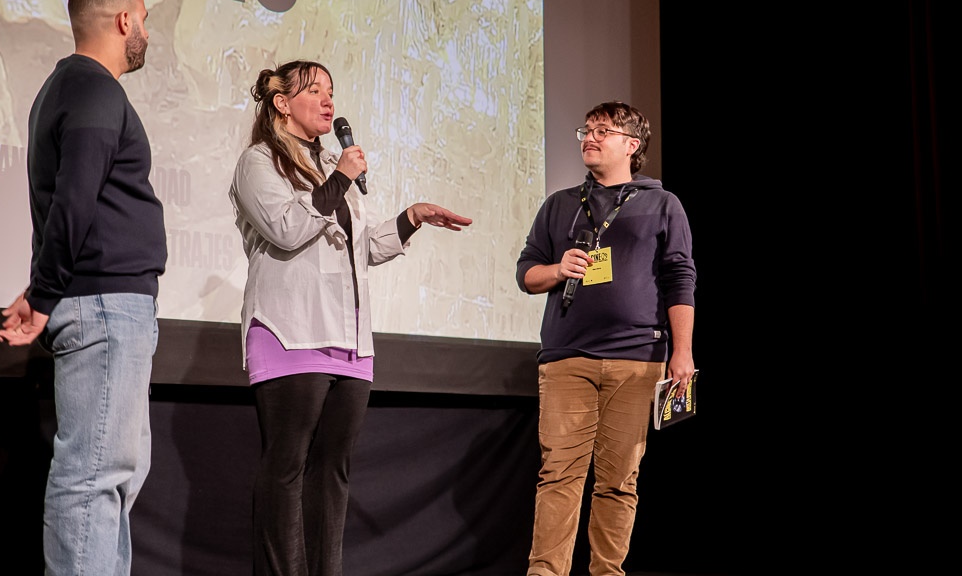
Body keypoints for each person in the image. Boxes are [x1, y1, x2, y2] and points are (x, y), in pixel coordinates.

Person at [229, 59, 472, 576]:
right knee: (287, 469)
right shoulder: (259, 162)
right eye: (314, 91)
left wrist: (411, 219)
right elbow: (287, 229)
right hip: (290, 333)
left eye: (331, 92)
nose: (328, 101)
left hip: (350, 342)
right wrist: (339, 176)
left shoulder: (325, 171)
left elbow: (361, 249)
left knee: (332, 473)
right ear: (281, 102)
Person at [0, 0, 167, 576]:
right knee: (93, 479)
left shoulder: (69, 88)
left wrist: (39, 289)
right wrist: (45, 294)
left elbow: (71, 205)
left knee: (112, 475)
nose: (146, 31)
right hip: (104, 306)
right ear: (124, 20)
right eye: (143, 19)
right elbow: (73, 200)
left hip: (103, 302)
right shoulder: (94, 90)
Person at [515, 101, 697, 576]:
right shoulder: (559, 204)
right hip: (566, 358)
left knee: (618, 481)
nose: (589, 137)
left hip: (637, 360)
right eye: (586, 129)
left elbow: (680, 278)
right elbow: (527, 274)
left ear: (632, 146)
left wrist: (683, 352)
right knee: (558, 475)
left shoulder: (662, 204)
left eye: (603, 130)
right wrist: (556, 269)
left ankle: (606, 573)